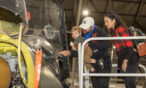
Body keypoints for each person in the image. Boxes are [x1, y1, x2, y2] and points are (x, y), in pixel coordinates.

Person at [104, 11, 139, 88]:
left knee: (130, 84)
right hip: (122, 57)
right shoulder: (114, 31)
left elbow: (130, 46)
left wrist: (125, 62)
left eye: (107, 21)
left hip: (129, 58)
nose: (105, 24)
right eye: (105, 22)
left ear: (113, 20)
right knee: (127, 83)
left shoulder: (120, 28)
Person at [80, 17, 111, 88]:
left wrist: (90, 44)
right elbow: (77, 44)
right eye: (83, 27)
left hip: (103, 61)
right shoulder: (83, 33)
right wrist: (71, 50)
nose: (84, 29)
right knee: (95, 84)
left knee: (103, 84)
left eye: (86, 27)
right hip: (93, 62)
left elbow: (107, 44)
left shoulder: (99, 31)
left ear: (92, 27)